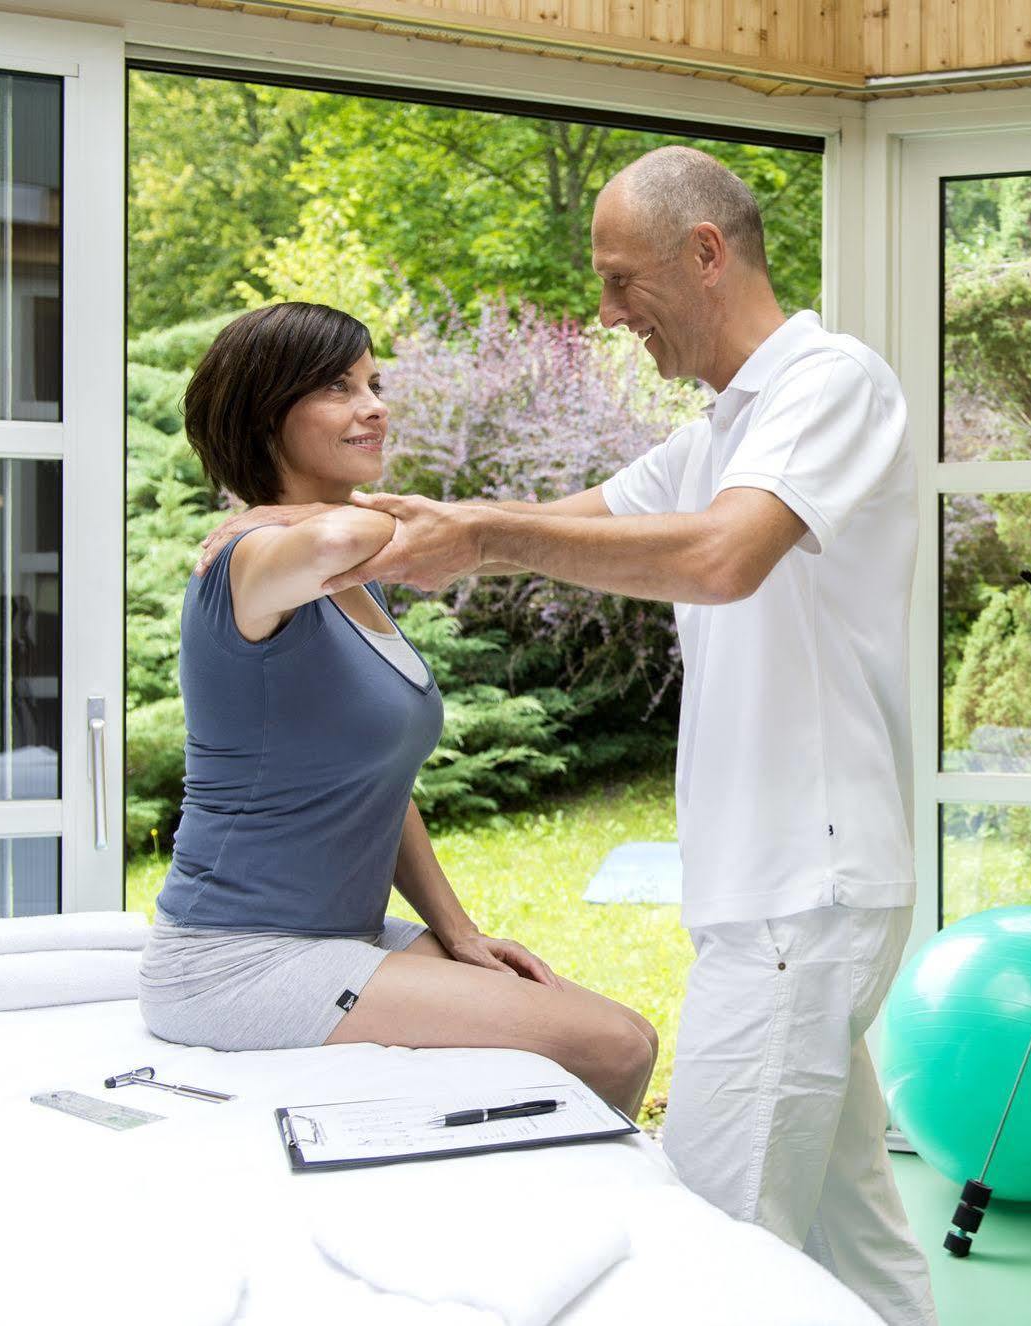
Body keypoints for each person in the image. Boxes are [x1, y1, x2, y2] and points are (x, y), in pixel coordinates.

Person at [199, 147, 936, 1326]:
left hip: (806, 882)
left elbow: (716, 557)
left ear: (704, 255)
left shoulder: (828, 383)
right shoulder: (726, 426)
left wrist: (479, 537)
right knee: (858, 1237)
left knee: (699, 1251)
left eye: (619, 280)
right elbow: (576, 518)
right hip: (774, 884)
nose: (607, 313)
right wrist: (354, 529)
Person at [145, 302, 658, 1118]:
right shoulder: (248, 560)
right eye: (338, 387)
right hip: (236, 958)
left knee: (625, 1031)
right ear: (264, 412)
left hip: (337, 935)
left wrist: (456, 930)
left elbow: (377, 783)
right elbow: (319, 546)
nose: (374, 404)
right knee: (613, 1048)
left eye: (374, 382)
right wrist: (301, 516)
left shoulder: (355, 578)